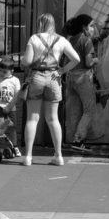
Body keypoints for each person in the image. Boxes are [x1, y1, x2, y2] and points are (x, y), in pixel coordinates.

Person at [22, 13, 80, 166]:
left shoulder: (34, 38)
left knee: (32, 118)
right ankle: (58, 156)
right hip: (54, 78)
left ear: (40, 23)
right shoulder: (61, 40)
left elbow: (27, 61)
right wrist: (62, 71)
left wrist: (25, 58)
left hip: (36, 77)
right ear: (53, 24)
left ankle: (28, 156)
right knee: (53, 119)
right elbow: (76, 59)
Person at [63, 14, 97, 151]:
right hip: (83, 77)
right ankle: (78, 140)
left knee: (74, 111)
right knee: (89, 109)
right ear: (84, 27)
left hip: (70, 77)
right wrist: (96, 60)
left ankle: (73, 140)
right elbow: (89, 62)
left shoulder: (70, 39)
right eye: (91, 26)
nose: (93, 28)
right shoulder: (86, 40)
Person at [0, 55, 21, 156]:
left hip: (11, 108)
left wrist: (10, 106)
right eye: (0, 71)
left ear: (12, 71)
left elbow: (17, 94)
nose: (2, 74)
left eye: (5, 72)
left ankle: (14, 146)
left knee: (12, 128)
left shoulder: (15, 80)